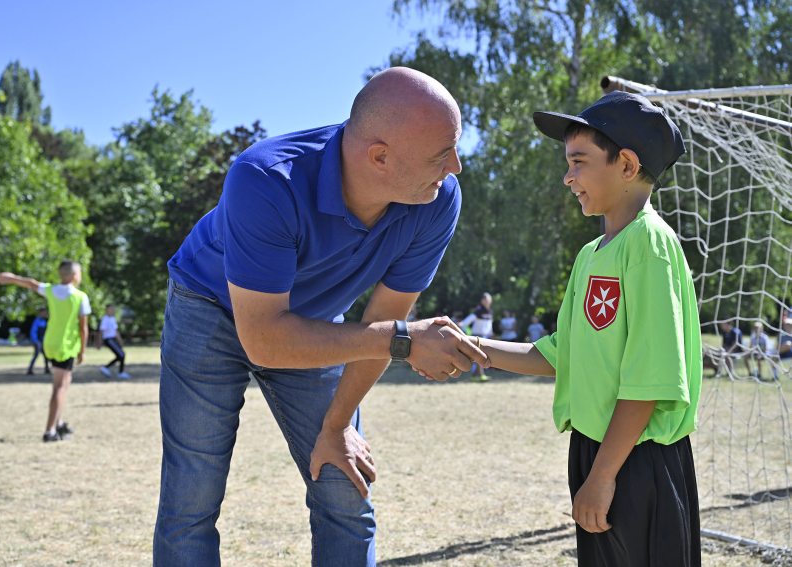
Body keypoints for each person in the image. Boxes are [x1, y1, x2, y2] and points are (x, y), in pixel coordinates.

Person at [154, 67, 488, 566]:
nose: (456, 167)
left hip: (313, 324)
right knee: (192, 498)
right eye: (443, 154)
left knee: (344, 489)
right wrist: (401, 341)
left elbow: (385, 319)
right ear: (379, 156)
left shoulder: (435, 198)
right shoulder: (265, 179)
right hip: (210, 307)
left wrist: (337, 429)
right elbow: (268, 339)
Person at [417, 92, 702, 565]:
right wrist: (473, 346)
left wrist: (605, 476)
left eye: (579, 162)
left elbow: (649, 379)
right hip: (594, 450)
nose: (568, 177)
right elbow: (556, 355)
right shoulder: (590, 256)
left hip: (637, 460)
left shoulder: (650, 244)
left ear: (627, 165)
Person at [0, 261, 91, 442]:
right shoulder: (80, 296)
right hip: (66, 346)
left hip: (50, 343)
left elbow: (31, 283)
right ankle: (50, 431)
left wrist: (11, 278)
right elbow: (83, 328)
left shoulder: (52, 290)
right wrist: (82, 351)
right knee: (60, 388)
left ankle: (59, 422)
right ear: (74, 276)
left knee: (62, 383)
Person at [460, 293, 494, 381]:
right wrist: (461, 325)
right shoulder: (479, 310)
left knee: (480, 356)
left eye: (489, 299)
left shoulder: (490, 311)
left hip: (486, 336)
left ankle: (474, 376)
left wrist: (491, 333)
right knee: (480, 356)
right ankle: (481, 375)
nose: (488, 301)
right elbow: (468, 320)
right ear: (482, 301)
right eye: (486, 299)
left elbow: (489, 324)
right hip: (477, 336)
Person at [97, 304, 130, 379]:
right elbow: (101, 332)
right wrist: (99, 343)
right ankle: (118, 372)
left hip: (113, 339)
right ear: (107, 310)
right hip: (108, 340)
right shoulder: (105, 319)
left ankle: (107, 368)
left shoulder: (112, 318)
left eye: (113, 309)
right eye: (110, 309)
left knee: (121, 355)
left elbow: (116, 331)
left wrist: (120, 340)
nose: (112, 310)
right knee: (121, 355)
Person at [27, 307, 50, 375]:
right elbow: (33, 332)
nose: (45, 314)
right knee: (36, 355)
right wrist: (35, 341)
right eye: (44, 312)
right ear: (40, 313)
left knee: (46, 356)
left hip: (44, 341)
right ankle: (30, 369)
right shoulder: (37, 321)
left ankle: (47, 369)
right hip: (38, 342)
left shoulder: (45, 321)